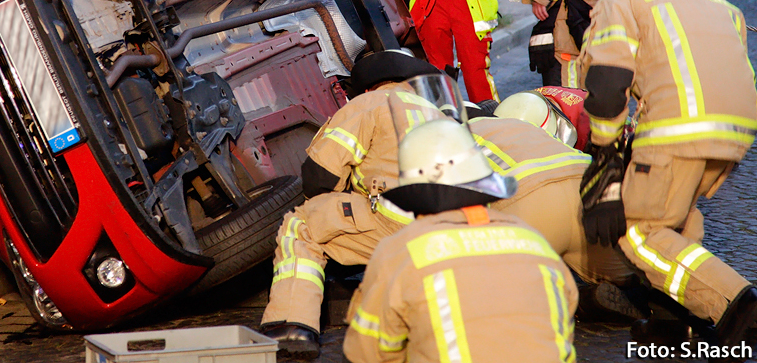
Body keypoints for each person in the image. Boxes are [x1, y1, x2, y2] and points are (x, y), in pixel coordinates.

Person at [573, 0, 757, 346]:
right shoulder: (717, 3)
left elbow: (607, 81)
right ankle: (675, 318)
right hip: (736, 131)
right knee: (674, 220)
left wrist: (605, 153)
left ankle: (737, 303)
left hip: (678, 128)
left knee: (640, 227)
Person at [343, 118, 578, 363]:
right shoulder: (536, 244)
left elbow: (365, 352)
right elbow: (563, 325)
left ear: (415, 199)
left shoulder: (401, 252)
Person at [260, 50, 442, 359]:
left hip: (397, 225)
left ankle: (291, 324)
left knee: (303, 223)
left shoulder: (369, 104)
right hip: (447, 226)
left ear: (368, 86)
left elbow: (320, 177)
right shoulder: (437, 111)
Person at [477, 92, 640, 318]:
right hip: (583, 181)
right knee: (631, 272)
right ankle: (642, 295)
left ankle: (564, 297)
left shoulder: (462, 137)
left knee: (497, 289)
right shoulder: (533, 117)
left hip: (531, 200)